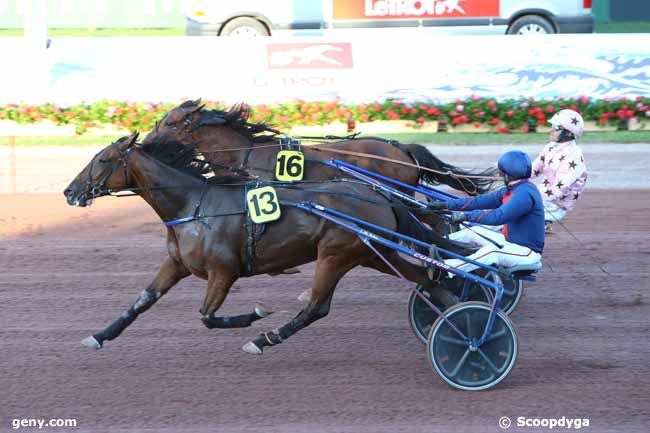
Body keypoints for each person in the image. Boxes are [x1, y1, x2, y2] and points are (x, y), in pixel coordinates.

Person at [428, 150, 544, 275]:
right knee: (474, 232)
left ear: (507, 175)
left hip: (526, 253)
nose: (499, 174)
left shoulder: (524, 195)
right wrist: (446, 204)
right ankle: (434, 245)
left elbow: (497, 217)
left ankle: (446, 268)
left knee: (490, 252)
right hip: (510, 244)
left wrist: (465, 216)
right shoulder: (514, 188)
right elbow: (479, 201)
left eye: (501, 172)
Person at [530, 109, 588, 230]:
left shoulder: (574, 156)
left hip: (554, 206)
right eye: (552, 126)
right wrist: (510, 172)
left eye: (556, 127)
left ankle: (542, 221)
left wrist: (533, 198)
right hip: (544, 198)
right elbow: (533, 169)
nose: (551, 130)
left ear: (569, 133)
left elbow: (560, 189)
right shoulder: (551, 147)